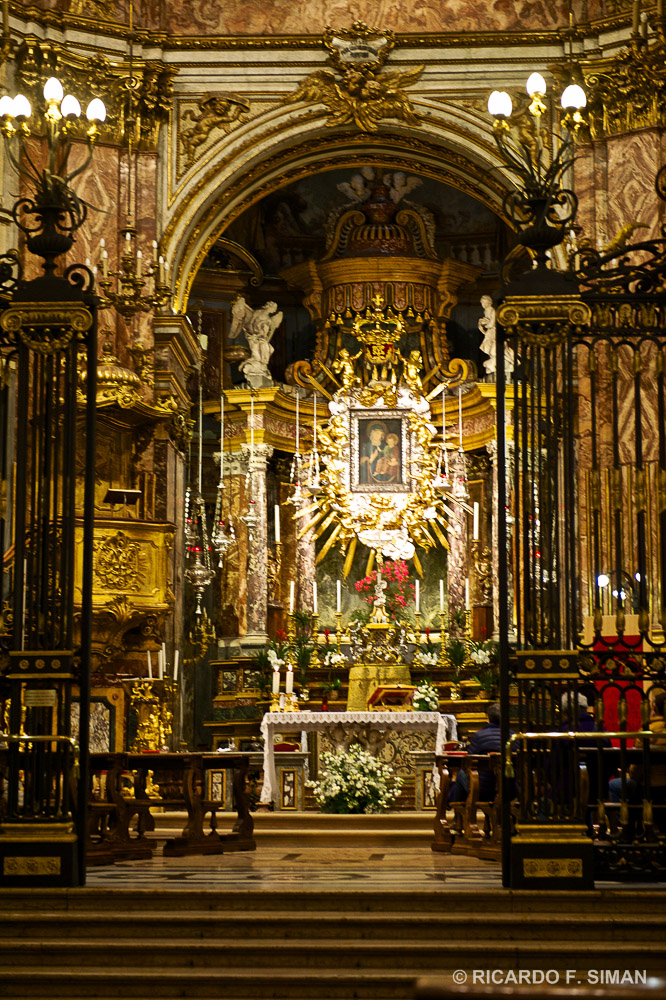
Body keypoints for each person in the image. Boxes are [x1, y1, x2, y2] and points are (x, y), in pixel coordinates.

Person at [449, 702, 502, 803]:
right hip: (508, 787)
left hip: (483, 787)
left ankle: (458, 813)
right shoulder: (513, 736)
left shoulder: (479, 736)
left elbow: (469, 760)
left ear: (488, 719)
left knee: (461, 774)